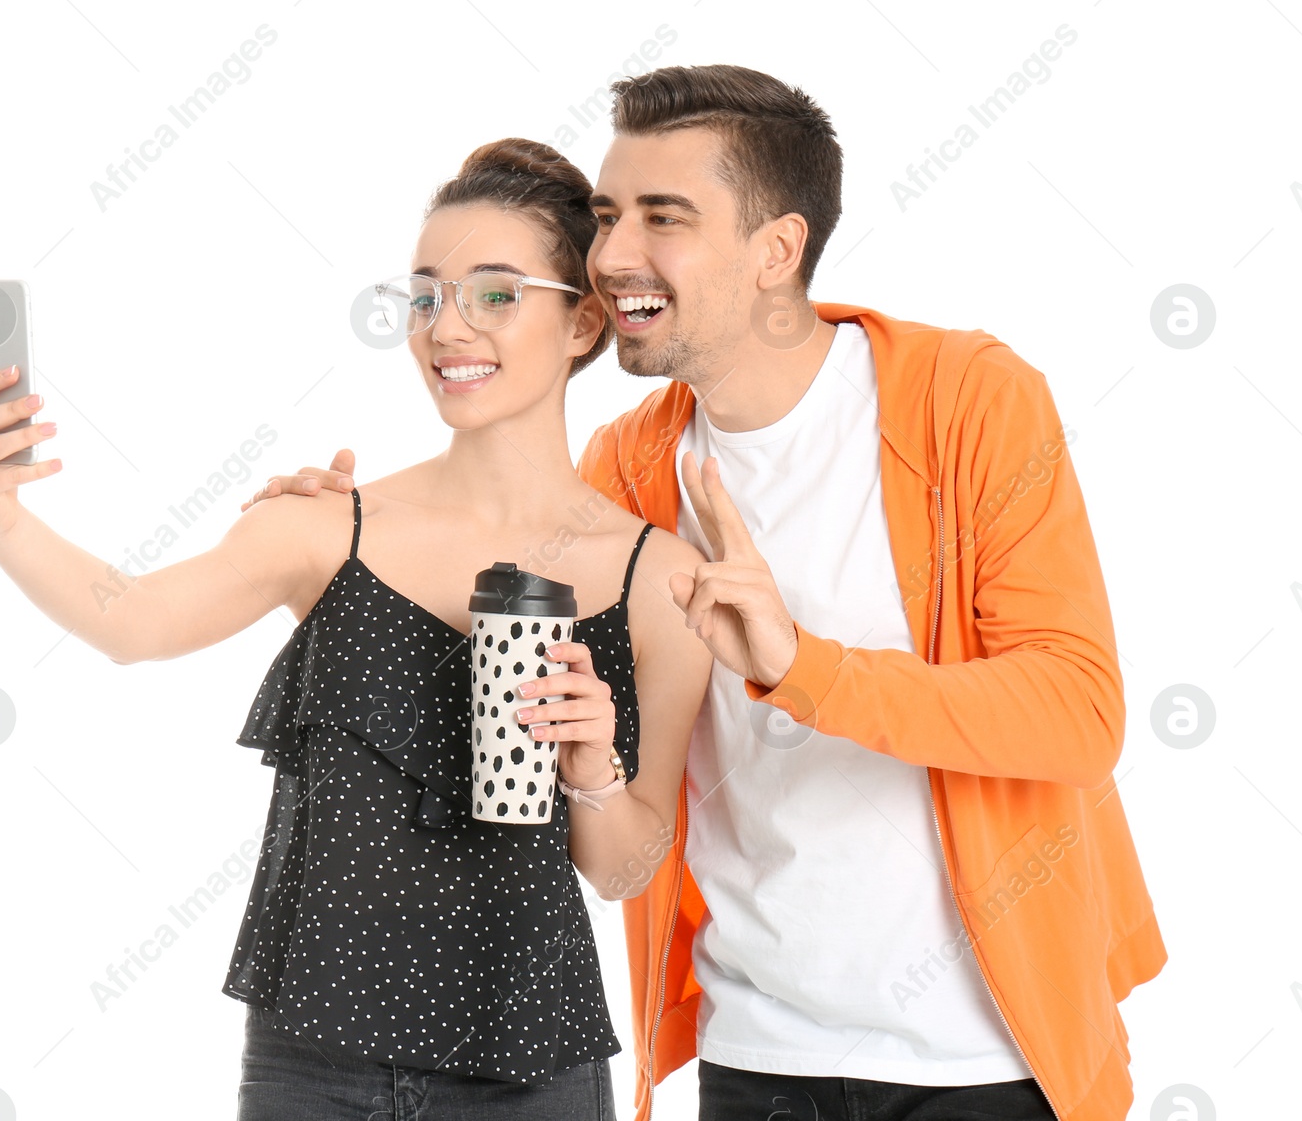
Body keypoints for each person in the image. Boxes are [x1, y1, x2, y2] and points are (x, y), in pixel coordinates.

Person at [248, 65, 1167, 1121]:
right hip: (755, 1055)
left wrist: (798, 666)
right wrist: (341, 544)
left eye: (662, 217)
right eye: (605, 216)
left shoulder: (966, 401)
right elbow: (492, 609)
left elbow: (1076, 712)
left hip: (989, 1061)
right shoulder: (627, 466)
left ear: (776, 249)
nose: (612, 257)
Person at [0, 138, 713, 1120]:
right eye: (426, 295)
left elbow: (624, 867)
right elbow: (131, 622)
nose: (448, 328)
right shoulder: (325, 524)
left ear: (582, 322)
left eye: (496, 293)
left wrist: (592, 762)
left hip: (532, 1067)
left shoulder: (658, 578)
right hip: (315, 1062)